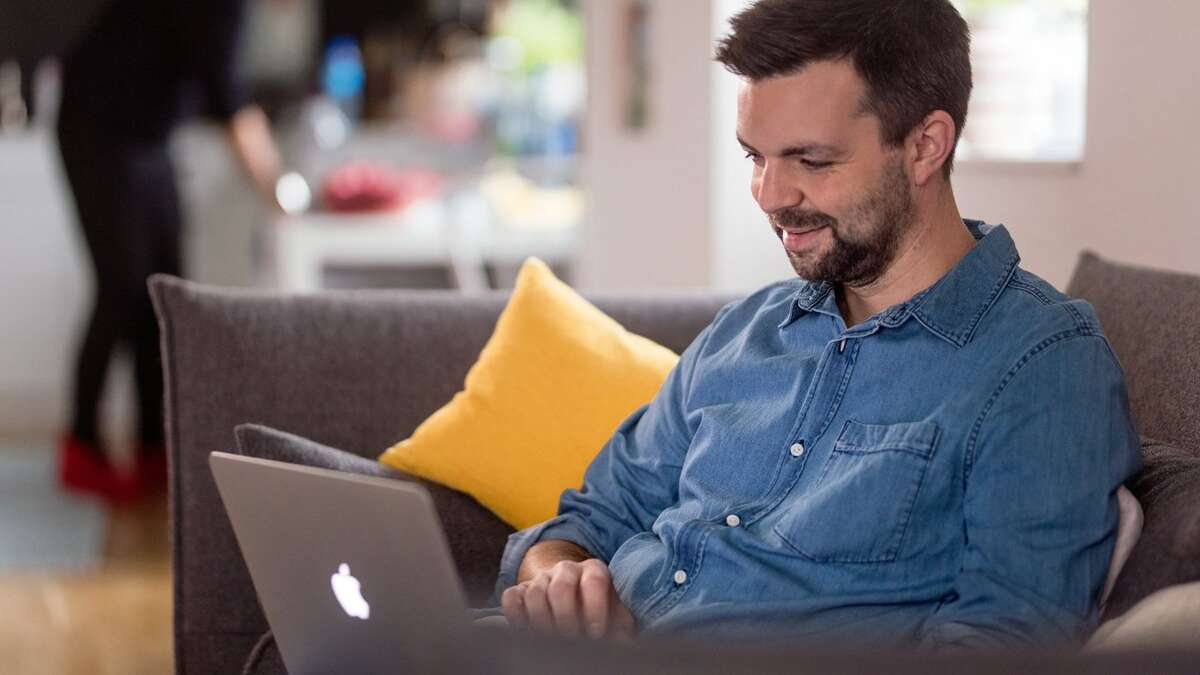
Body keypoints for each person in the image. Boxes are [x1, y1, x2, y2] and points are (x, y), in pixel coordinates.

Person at [492, 0, 1141, 650]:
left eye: (811, 161)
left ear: (924, 146)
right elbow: (589, 518)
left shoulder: (1040, 365)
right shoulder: (746, 330)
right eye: (755, 156)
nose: (771, 196)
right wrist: (560, 581)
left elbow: (1001, 643)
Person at [56, 0, 286, 501]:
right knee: (121, 290)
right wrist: (280, 194)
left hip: (150, 135)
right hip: (98, 129)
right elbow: (231, 101)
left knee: (161, 294)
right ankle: (81, 446)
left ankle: (152, 450)